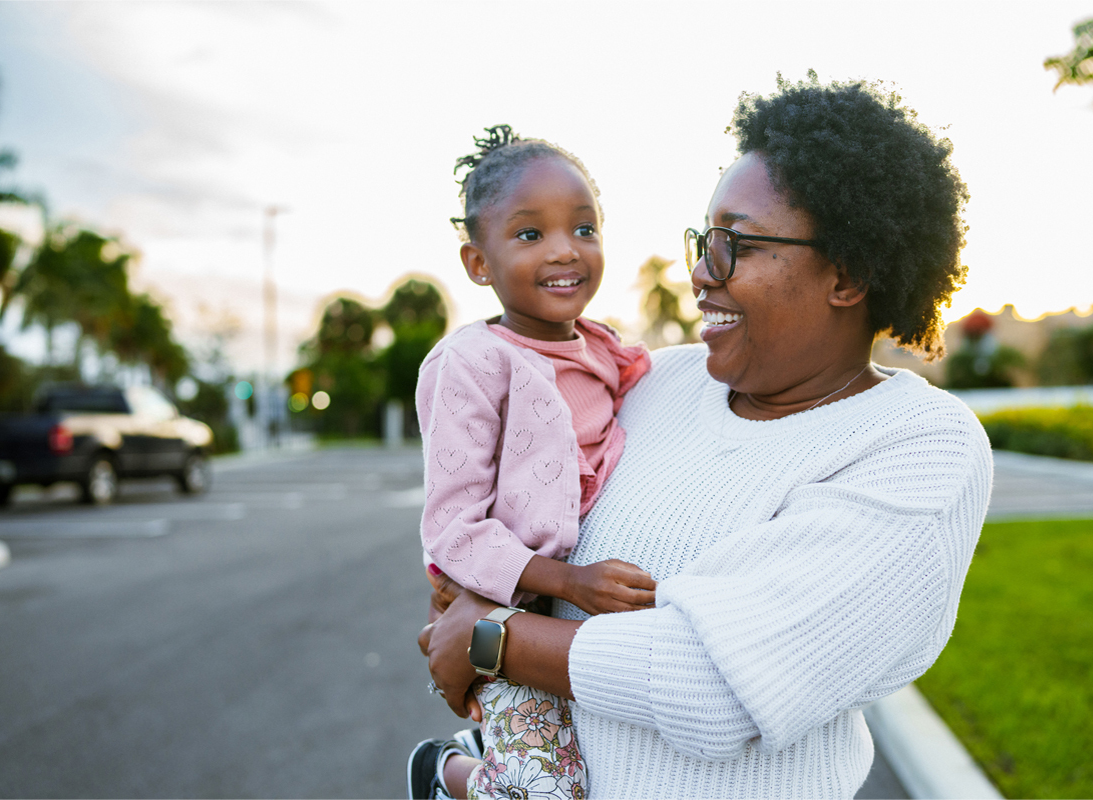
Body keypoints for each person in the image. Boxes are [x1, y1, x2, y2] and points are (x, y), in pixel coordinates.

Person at [418, 74, 991, 799]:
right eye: (703, 240)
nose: (700, 272)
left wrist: (488, 638)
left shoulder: (918, 445)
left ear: (848, 275)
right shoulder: (658, 381)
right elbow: (510, 503)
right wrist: (467, 589)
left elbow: (714, 684)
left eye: (735, 245)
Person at [408, 126, 655, 800]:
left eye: (584, 227)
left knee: (581, 766)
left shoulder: (607, 355)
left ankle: (484, 760)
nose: (564, 251)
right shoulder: (471, 363)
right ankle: (444, 774)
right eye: (529, 235)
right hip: (498, 603)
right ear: (477, 263)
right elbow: (453, 529)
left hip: (558, 621)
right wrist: (570, 582)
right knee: (548, 790)